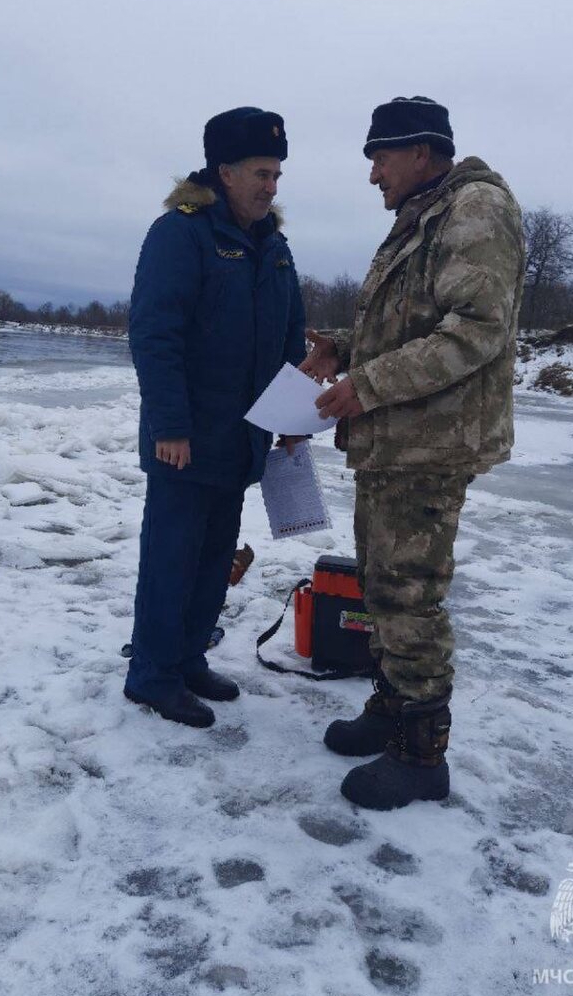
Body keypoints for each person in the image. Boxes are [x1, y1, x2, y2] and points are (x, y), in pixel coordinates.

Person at [301, 95, 524, 810]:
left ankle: (422, 754)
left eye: (381, 158)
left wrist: (366, 385)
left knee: (408, 593)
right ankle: (393, 708)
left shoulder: (475, 210)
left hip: (431, 443)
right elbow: (411, 323)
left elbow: (476, 330)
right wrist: (344, 348)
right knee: (381, 585)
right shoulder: (425, 215)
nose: (373, 174)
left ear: (422, 153)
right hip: (396, 442)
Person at [125, 107, 306, 728]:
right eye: (261, 173)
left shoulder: (274, 247)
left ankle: (188, 659)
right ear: (225, 172)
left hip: (242, 438)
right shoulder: (181, 234)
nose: (271, 186)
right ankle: (152, 674)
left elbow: (290, 339)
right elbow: (155, 333)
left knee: (213, 560)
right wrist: (170, 425)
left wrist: (292, 415)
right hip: (186, 439)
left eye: (277, 174)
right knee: (172, 559)